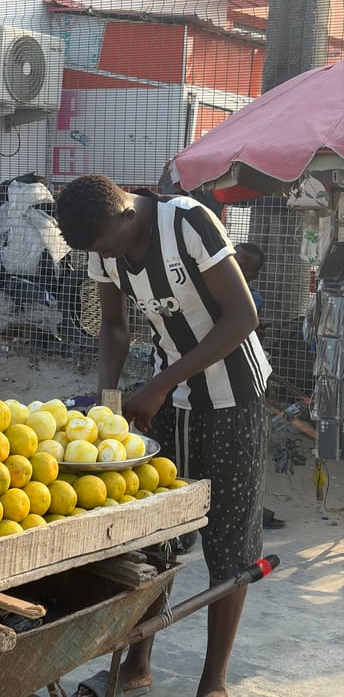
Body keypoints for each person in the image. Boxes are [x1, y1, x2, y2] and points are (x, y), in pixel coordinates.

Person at [55, 174, 271, 697]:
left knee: (229, 542)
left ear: (127, 214)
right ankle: (137, 663)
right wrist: (108, 400)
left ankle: (213, 681)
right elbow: (113, 327)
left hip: (232, 399)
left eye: (106, 246)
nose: (104, 257)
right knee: (155, 534)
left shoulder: (189, 223)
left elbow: (243, 316)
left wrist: (157, 385)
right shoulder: (101, 247)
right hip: (167, 400)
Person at [233, 242, 286, 531]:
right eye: (236, 262)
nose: (240, 270)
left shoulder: (253, 297)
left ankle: (249, 509)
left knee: (248, 450)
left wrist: (255, 332)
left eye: (247, 268)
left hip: (244, 382)